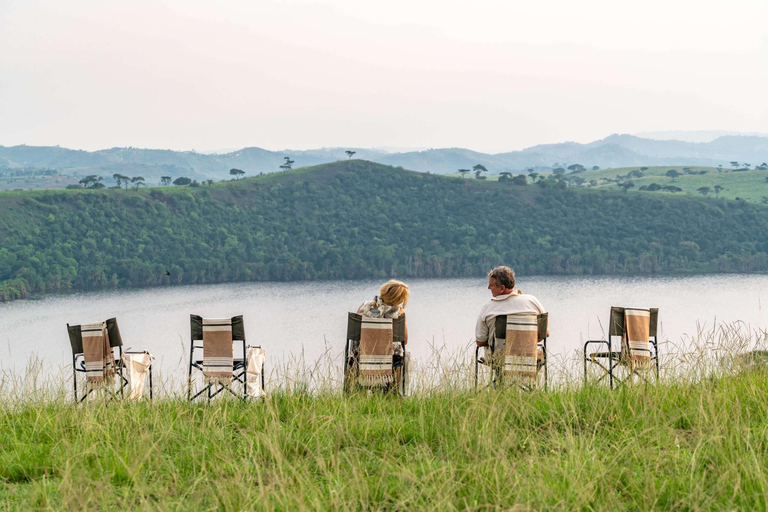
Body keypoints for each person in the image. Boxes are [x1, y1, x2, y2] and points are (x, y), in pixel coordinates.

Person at [475, 266, 547, 361]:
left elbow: (480, 342)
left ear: (502, 288)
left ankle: (500, 375)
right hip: (529, 357)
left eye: (491, 285)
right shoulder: (532, 301)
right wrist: (523, 342)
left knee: (497, 359)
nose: (488, 288)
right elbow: (544, 333)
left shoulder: (488, 308)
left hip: (499, 360)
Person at [354, 279, 410, 387]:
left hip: (362, 355)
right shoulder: (399, 312)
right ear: (398, 300)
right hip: (391, 358)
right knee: (407, 356)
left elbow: (356, 334)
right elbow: (405, 341)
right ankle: (394, 389)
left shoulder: (364, 306)